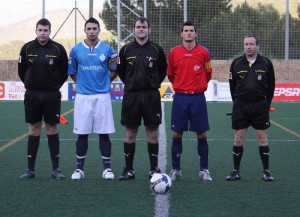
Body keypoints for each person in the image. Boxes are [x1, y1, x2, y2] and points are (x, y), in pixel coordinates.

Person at [117, 17, 167, 180]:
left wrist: (151, 84)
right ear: (134, 29)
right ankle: (128, 169)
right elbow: (121, 72)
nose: (141, 29)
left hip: (151, 96)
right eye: (138, 27)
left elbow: (163, 71)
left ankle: (153, 169)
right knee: (130, 132)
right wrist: (133, 84)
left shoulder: (157, 50)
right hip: (131, 96)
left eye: (144, 27)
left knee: (152, 133)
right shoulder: (125, 50)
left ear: (149, 29)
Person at [18, 18, 68, 180]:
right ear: (36, 31)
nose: (42, 33)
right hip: (32, 94)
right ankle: (30, 170)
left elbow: (64, 72)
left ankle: (56, 170)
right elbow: (21, 71)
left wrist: (53, 86)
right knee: (34, 129)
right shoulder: (26, 48)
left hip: (51, 95)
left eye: (45, 30)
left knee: (52, 129)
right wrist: (30, 83)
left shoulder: (58, 49)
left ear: (50, 31)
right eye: (40, 30)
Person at [68, 17, 118, 180]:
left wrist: (102, 84)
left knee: (104, 133)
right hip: (83, 97)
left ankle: (107, 169)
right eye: (88, 29)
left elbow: (114, 70)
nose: (91, 31)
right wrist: (84, 85)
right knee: (82, 133)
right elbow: (73, 73)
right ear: (85, 30)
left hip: (102, 97)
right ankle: (79, 170)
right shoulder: (75, 50)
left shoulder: (109, 49)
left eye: (94, 29)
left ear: (98, 30)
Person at [167, 20, 213, 182]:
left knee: (201, 133)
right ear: (181, 34)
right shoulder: (174, 53)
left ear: (195, 33)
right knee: (177, 132)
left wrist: (198, 86)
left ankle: (204, 170)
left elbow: (208, 73)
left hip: (197, 98)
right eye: (185, 30)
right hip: (180, 98)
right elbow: (171, 74)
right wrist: (182, 86)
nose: (188, 33)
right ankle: (176, 170)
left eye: (191, 30)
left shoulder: (203, 53)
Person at [226, 35, 275, 181]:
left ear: (257, 46)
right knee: (239, 138)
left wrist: (267, 103)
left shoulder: (266, 63)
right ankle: (235, 171)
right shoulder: (236, 63)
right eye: (246, 44)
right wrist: (237, 102)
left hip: (260, 106)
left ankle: (266, 171)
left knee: (262, 137)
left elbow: (271, 85)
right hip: (241, 106)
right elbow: (232, 85)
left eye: (251, 44)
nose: (248, 46)